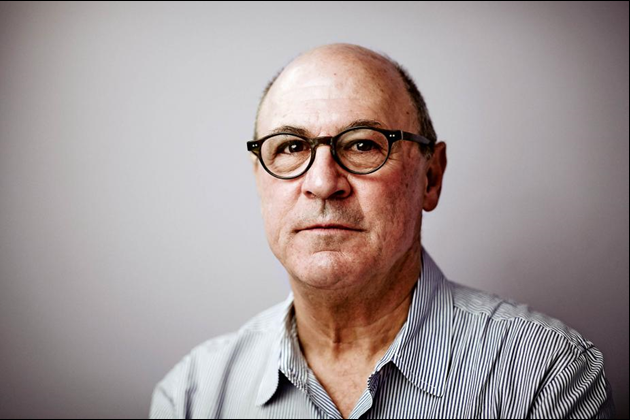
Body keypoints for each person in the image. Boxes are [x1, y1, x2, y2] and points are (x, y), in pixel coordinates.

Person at [149, 43, 614, 419]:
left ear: (430, 177)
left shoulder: (549, 377)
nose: (323, 183)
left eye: (363, 144)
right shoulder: (193, 396)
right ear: (259, 180)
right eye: (290, 147)